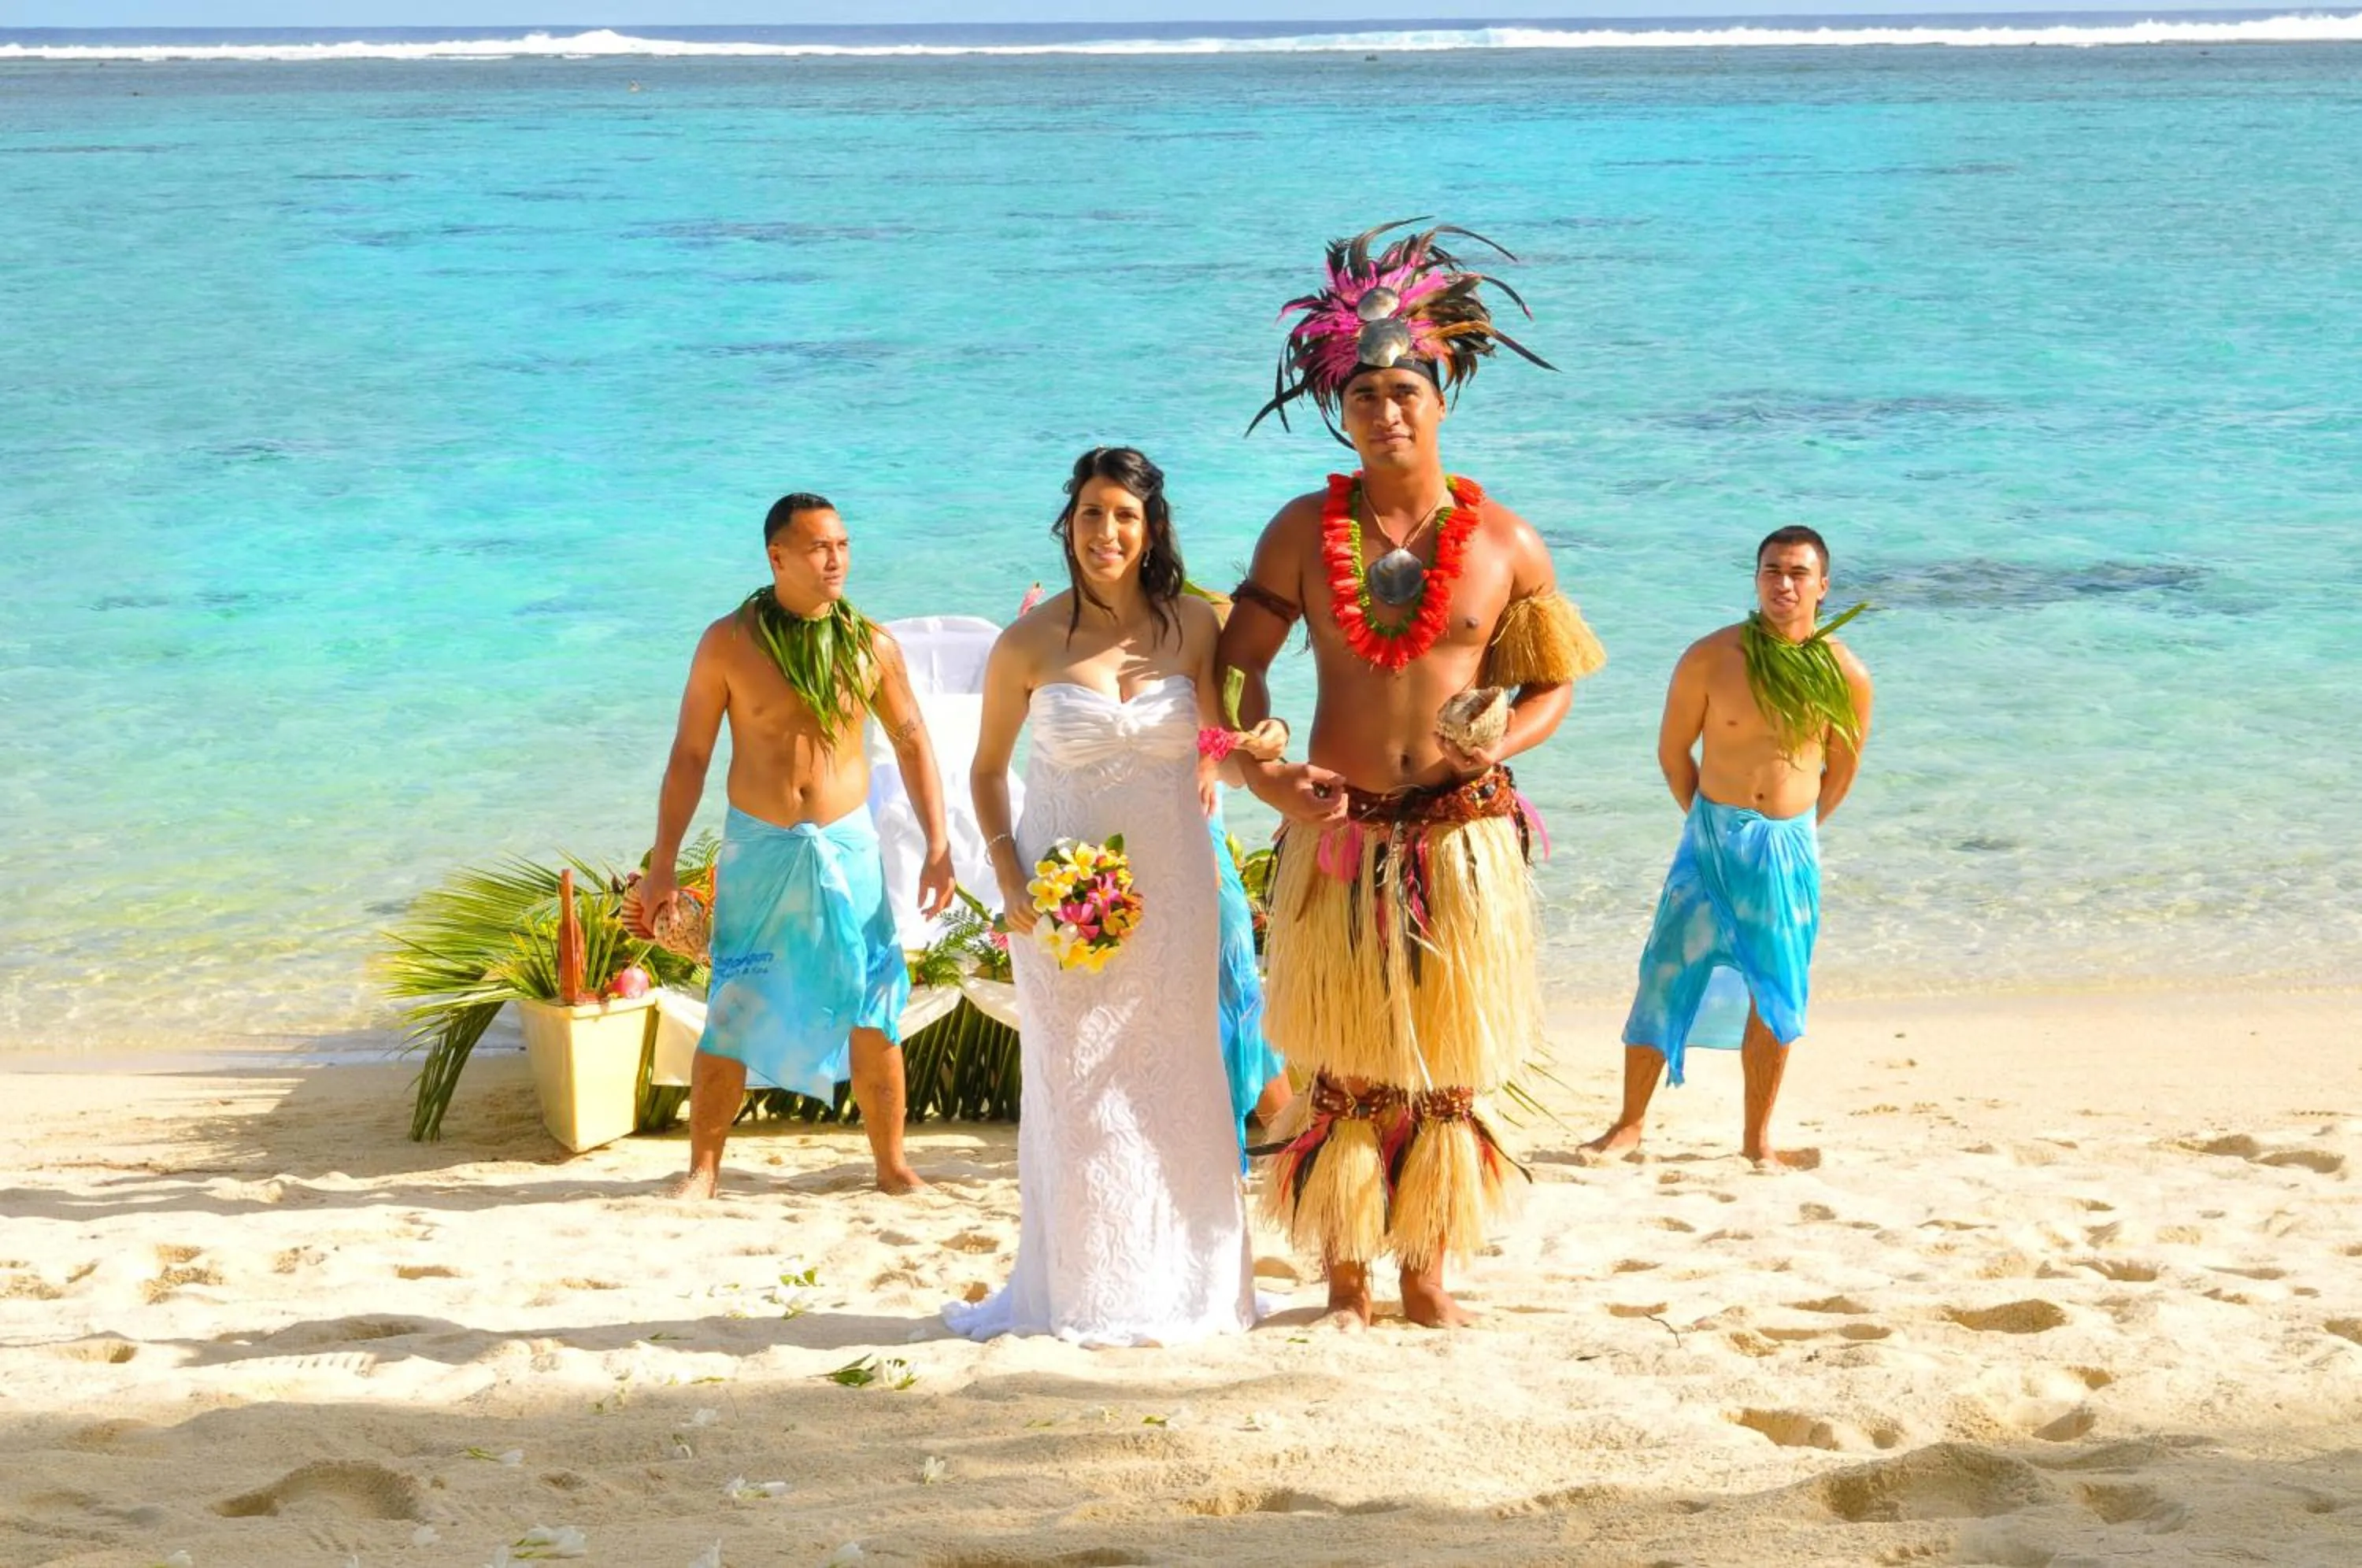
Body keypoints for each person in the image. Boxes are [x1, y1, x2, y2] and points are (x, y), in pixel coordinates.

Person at [1221, 222, 1606, 1329]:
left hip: (1460, 832)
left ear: (1442, 401)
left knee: (1443, 1061)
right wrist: (1265, 770)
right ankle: (1345, 1274)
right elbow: (1237, 666)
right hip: (1340, 827)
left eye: (1405, 391)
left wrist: (1504, 743)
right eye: (1365, 395)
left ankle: (1426, 1274)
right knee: (1340, 1060)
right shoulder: (1301, 531)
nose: (1386, 411)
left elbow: (1554, 684)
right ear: (1340, 409)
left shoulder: (1507, 543)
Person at [945, 447, 1260, 1346]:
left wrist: (1263, 748)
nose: (1106, 532)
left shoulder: (1194, 624)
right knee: (1078, 1090)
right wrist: (1009, 875)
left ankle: (1188, 1287)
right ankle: (1087, 1293)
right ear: (1068, 523)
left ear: (1151, 528)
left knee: (1178, 1081)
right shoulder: (1028, 642)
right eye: (1091, 513)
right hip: (1061, 899)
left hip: (1176, 891)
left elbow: (1221, 751)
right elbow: (987, 771)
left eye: (1125, 515)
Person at [634, 493, 954, 1198]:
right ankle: (703, 1171)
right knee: (733, 1003)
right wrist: (663, 866)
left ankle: (892, 1166)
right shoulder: (728, 642)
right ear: (777, 557)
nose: (835, 559)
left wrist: (939, 844)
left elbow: (912, 743)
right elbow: (690, 756)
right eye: (818, 548)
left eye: (842, 545)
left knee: (873, 1004)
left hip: (848, 847)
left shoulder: (870, 645)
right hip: (760, 848)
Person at [1583, 526, 1874, 1169]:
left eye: (1798, 573)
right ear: (1756, 578)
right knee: (1664, 972)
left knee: (1777, 993)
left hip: (1786, 849)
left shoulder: (1846, 673)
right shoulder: (1711, 658)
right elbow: (1672, 753)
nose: (1783, 584)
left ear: (1823, 586)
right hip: (1710, 837)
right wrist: (1706, 825)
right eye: (1772, 570)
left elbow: (1842, 769)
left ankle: (1757, 1141)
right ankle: (1628, 1125)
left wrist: (1796, 831)